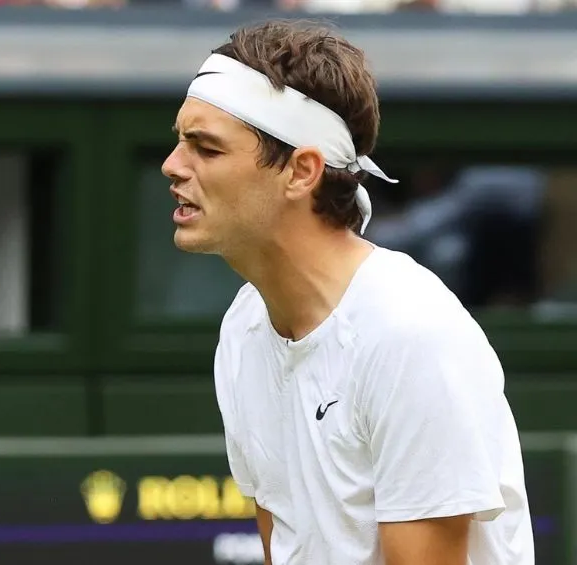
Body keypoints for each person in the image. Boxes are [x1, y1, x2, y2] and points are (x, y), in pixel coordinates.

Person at [161, 20, 533, 565]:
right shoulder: (244, 325)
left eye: (207, 149)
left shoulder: (410, 334)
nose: (173, 165)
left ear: (301, 171)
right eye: (180, 141)